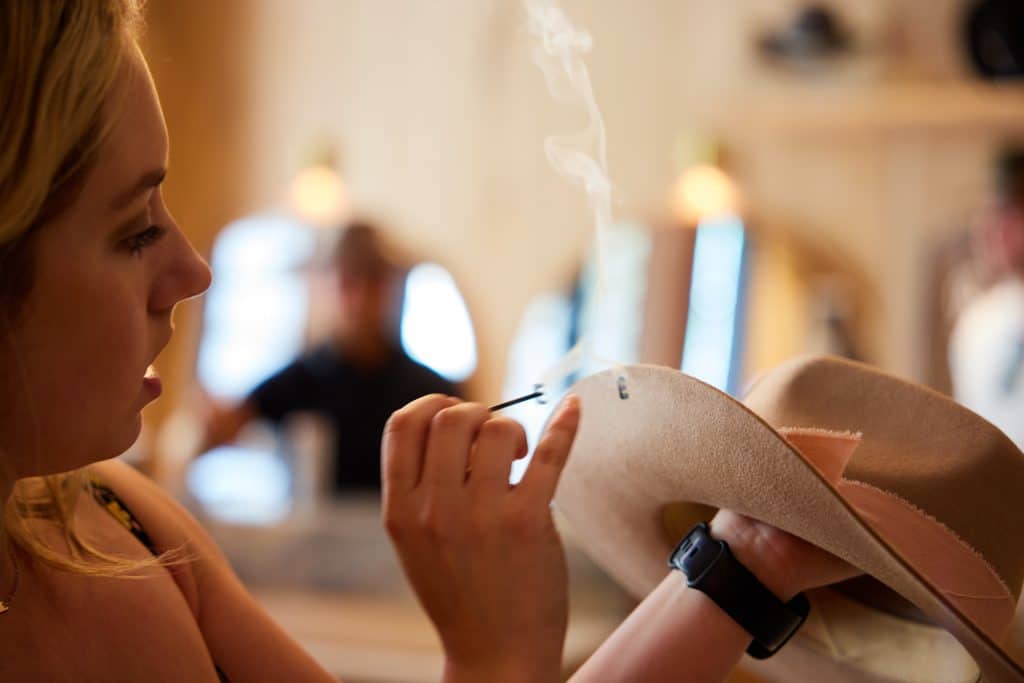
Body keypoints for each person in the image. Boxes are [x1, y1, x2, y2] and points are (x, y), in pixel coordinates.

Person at [0, 2, 853, 681]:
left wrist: (745, 561)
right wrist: (489, 660)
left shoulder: (127, 522)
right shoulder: (273, 400)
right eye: (134, 230)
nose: (195, 271)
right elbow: (229, 417)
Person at [200, 220, 456, 492]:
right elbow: (227, 427)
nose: (360, 299)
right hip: (310, 532)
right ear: (328, 286)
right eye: (348, 283)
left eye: (374, 283)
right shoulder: (299, 379)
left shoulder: (430, 388)